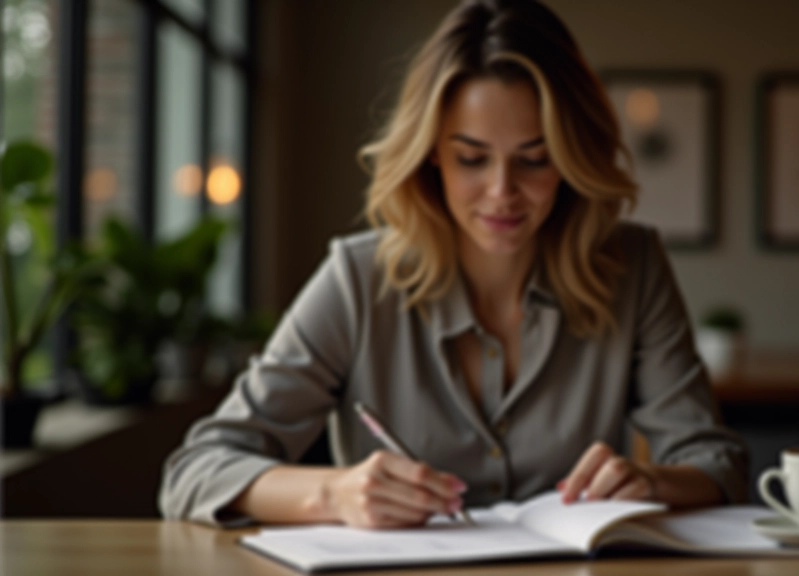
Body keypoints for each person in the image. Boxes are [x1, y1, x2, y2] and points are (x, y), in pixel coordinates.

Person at [160, 0, 748, 529]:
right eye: (471, 158)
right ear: (432, 155)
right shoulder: (358, 279)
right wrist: (334, 493)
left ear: (572, 159)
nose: (502, 192)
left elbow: (718, 463)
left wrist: (651, 482)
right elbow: (195, 471)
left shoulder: (632, 267)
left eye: (534, 160)